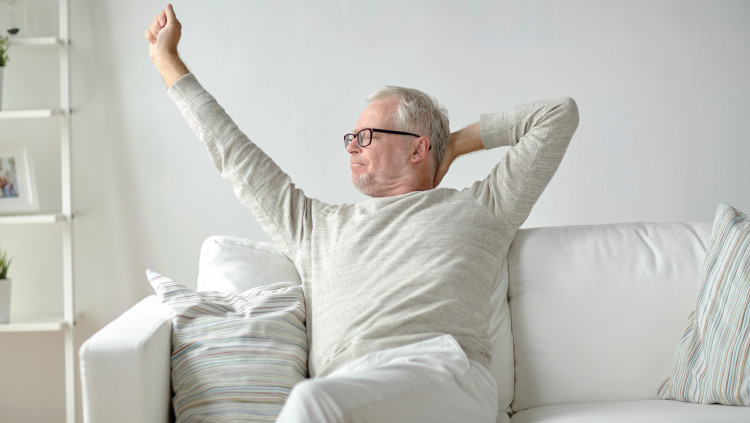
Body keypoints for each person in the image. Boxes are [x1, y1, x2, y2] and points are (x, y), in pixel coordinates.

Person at [146, 4, 579, 422]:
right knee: (322, 401)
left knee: (313, 402)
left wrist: (455, 143)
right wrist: (167, 61)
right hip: (348, 391)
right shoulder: (315, 227)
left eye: (367, 135)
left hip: (443, 375)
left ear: (418, 148)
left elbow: (557, 115)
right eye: (351, 136)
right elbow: (233, 154)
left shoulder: (481, 208)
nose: (352, 146)